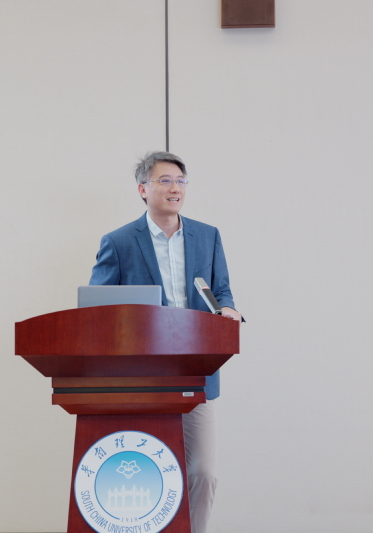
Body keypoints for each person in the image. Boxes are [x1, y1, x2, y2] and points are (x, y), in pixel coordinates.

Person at [89, 151, 242, 533]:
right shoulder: (120, 242)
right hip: (141, 377)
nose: (175, 188)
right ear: (143, 189)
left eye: (180, 181)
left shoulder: (207, 235)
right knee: (146, 475)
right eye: (165, 181)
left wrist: (227, 309)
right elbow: (97, 309)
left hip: (196, 371)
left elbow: (221, 289)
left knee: (204, 472)